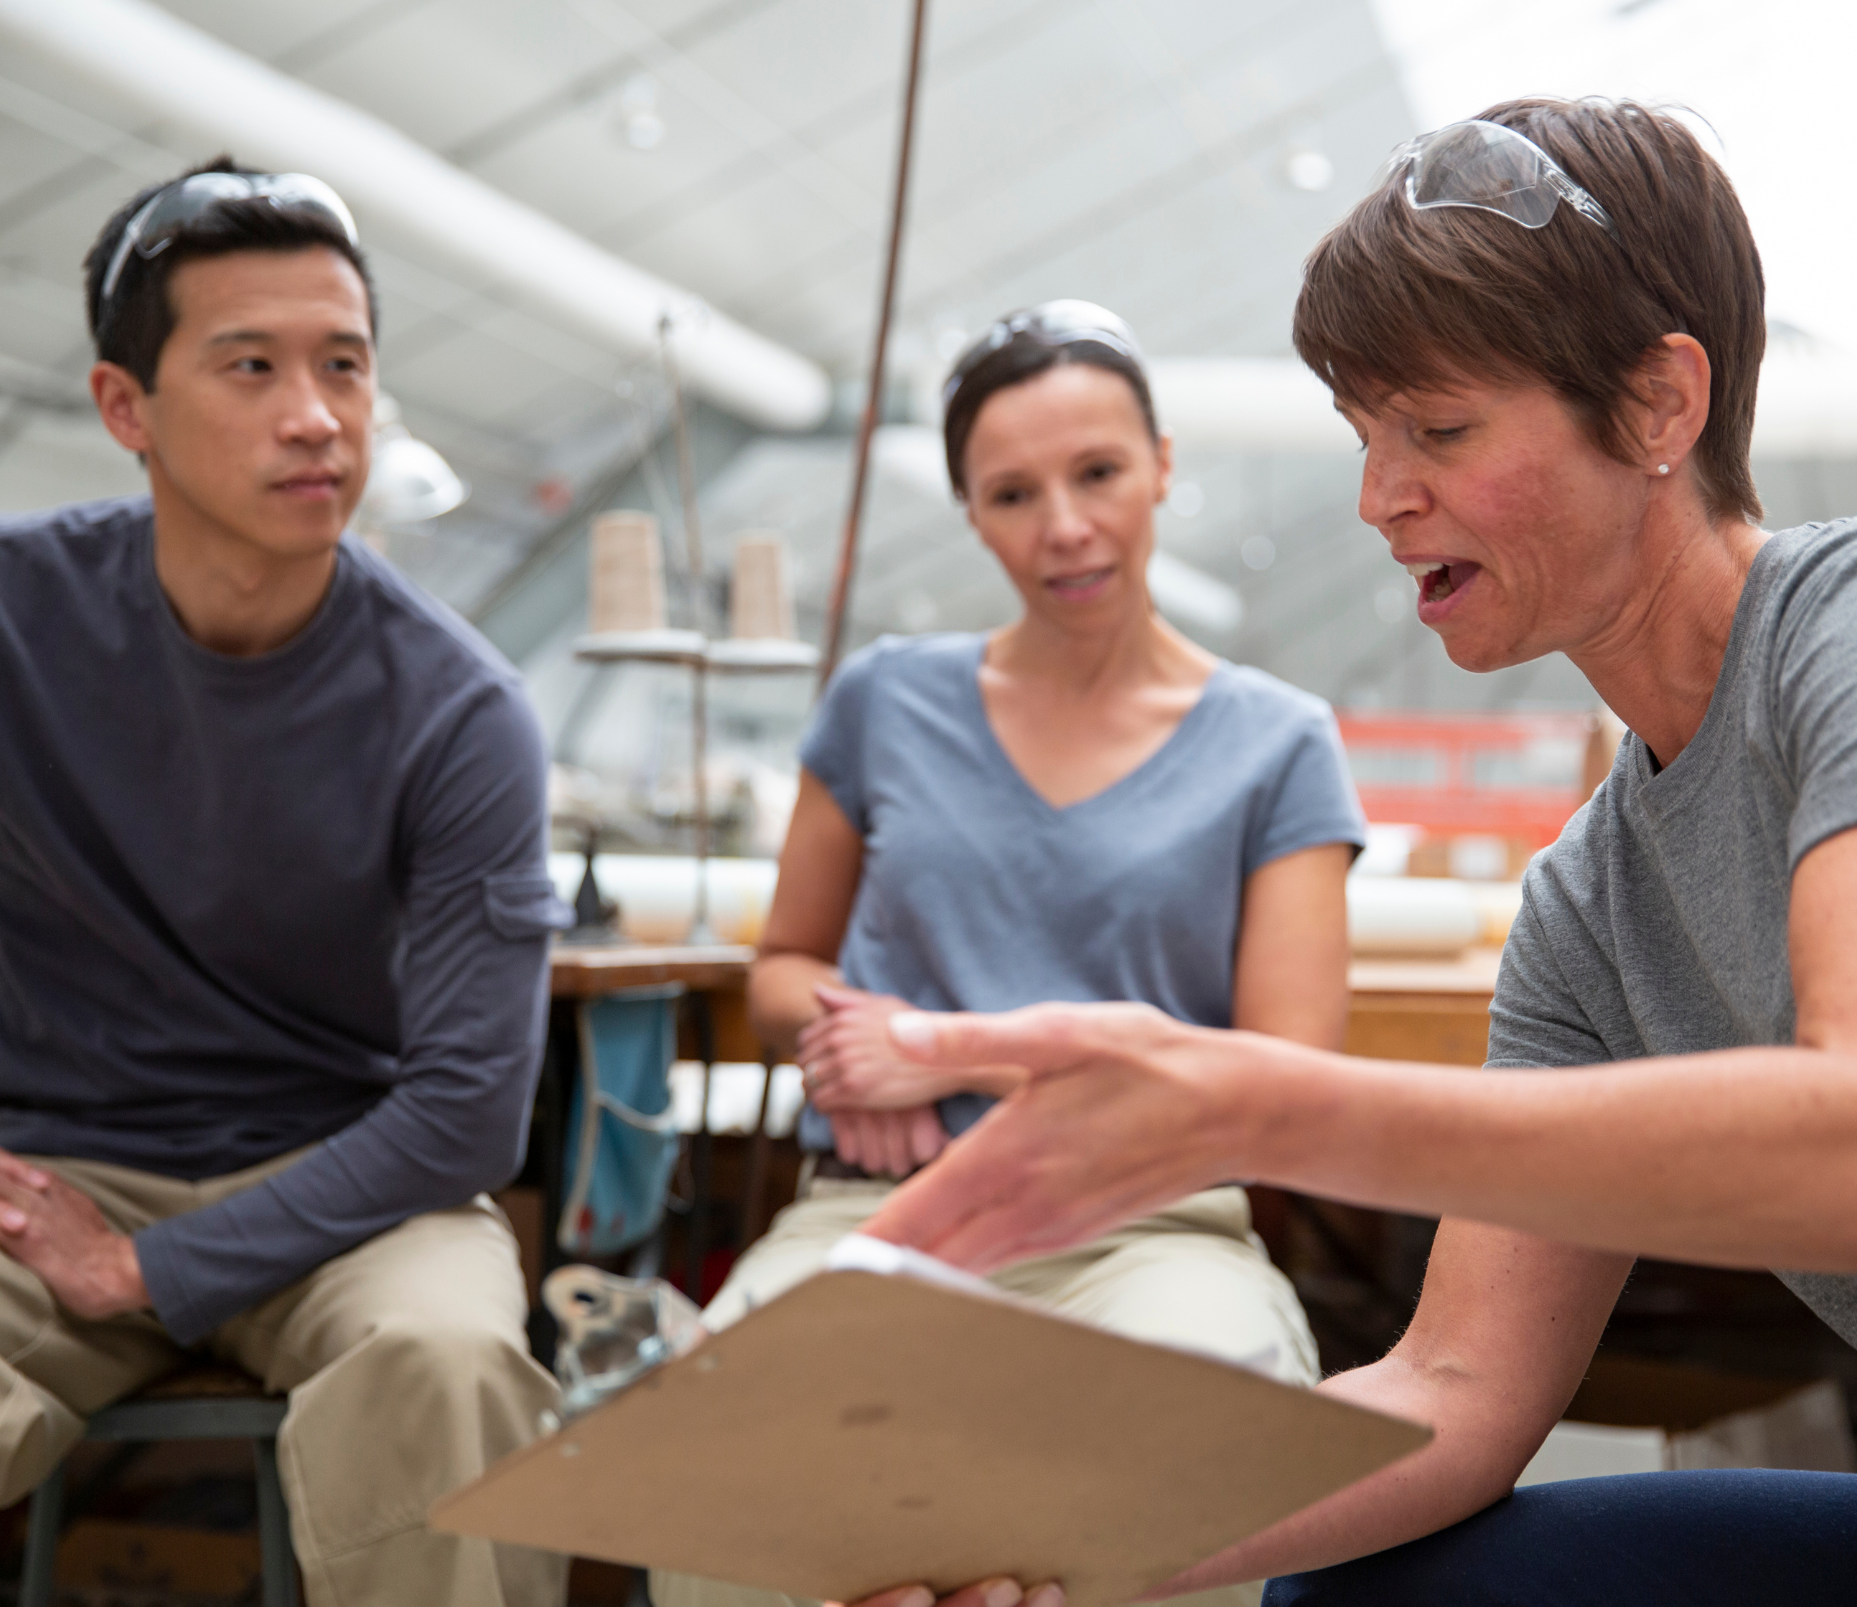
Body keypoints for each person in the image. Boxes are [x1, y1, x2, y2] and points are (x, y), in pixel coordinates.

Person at [851, 100, 1857, 1607]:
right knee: (1354, 1594)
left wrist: (1255, 1105)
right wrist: (1048, 1531)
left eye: (1440, 429)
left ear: (1661, 405)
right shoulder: (1593, 907)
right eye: (1366, 435)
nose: (1379, 494)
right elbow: (1457, 1385)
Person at [650, 302, 1368, 1607]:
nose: (1066, 526)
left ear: (1160, 460)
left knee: (1199, 1466)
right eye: (1013, 492)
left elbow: (1287, 1076)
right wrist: (850, 1043)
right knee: (721, 1491)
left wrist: (940, 1045)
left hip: (1147, 1227)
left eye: (1097, 473)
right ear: (972, 512)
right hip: (885, 1214)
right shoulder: (883, 699)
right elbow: (781, 966)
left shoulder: (1279, 742)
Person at [0, 159, 571, 1606]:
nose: (316, 415)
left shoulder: (461, 712)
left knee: (451, 1371)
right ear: (127, 407)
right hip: (53, 1161)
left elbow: (467, 1110)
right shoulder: (16, 621)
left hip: (353, 1175)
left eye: (345, 364)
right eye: (250, 366)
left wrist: (152, 1272)